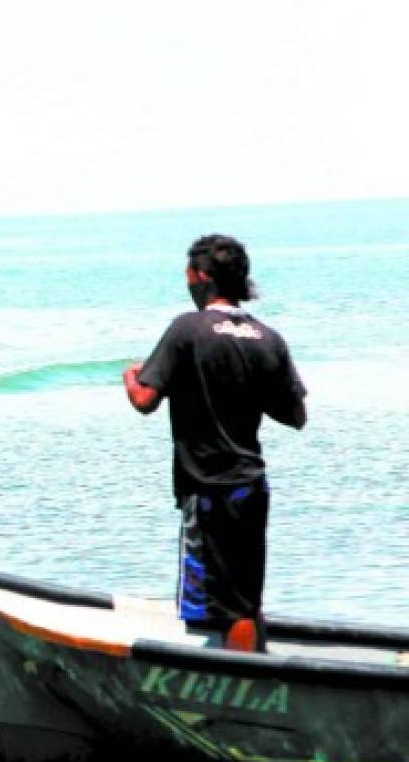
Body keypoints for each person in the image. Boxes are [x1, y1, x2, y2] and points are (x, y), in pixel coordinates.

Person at [122, 234, 307, 652]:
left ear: (201, 277)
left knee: (228, 608)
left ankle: (242, 697)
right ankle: (261, 674)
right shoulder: (267, 337)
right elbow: (295, 416)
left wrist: (131, 376)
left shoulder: (187, 330)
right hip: (251, 484)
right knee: (246, 598)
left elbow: (144, 401)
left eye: (188, 274)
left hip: (208, 487)